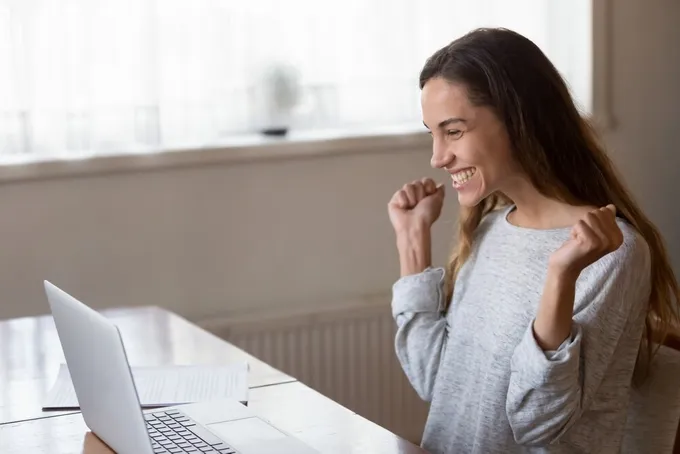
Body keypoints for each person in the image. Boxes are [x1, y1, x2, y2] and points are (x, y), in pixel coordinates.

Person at [387, 28, 680, 454]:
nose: (437, 156)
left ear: (518, 119)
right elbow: (434, 379)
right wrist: (412, 242)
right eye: (433, 132)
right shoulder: (489, 229)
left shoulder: (611, 252)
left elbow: (537, 422)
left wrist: (559, 277)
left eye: (453, 131)